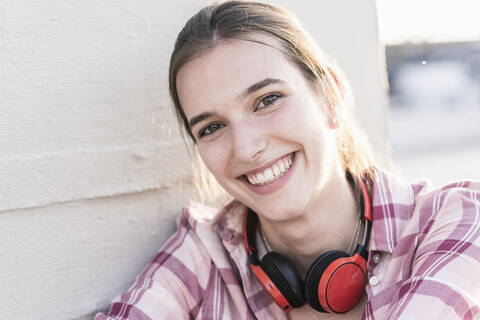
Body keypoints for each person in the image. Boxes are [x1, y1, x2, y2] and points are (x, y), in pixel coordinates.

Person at [95, 1, 480, 319]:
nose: (246, 149)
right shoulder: (203, 258)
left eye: (267, 100)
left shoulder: (457, 221)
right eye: (212, 127)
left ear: (331, 96)